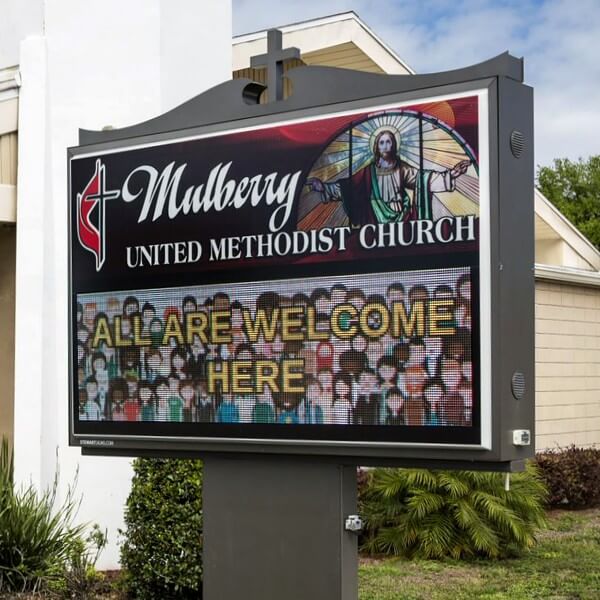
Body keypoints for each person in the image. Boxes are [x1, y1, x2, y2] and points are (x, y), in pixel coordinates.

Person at [309, 129, 470, 225]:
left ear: (394, 144)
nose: (385, 145)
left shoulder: (401, 168)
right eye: (382, 142)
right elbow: (348, 187)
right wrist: (324, 187)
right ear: (376, 147)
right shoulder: (368, 172)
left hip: (400, 215)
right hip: (374, 218)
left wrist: (450, 175)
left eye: (388, 142)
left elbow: (423, 179)